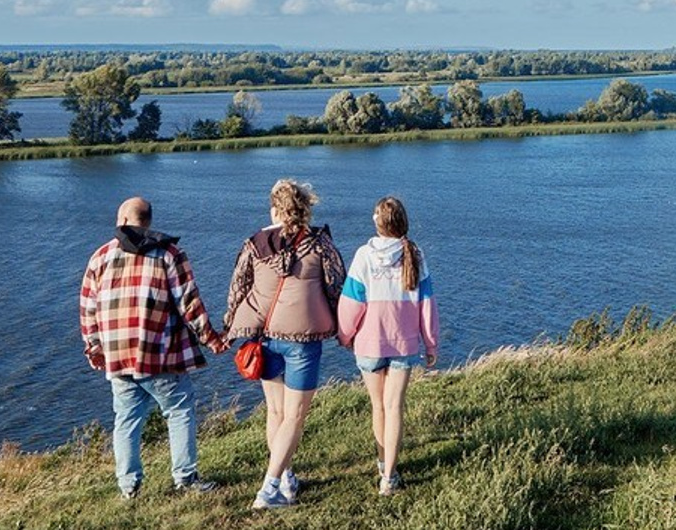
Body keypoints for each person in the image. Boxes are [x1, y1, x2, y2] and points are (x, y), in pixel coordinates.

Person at [79, 196, 228, 499]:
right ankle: (185, 478)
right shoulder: (169, 254)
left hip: (117, 356)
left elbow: (88, 309)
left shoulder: (100, 257)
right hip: (159, 354)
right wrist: (212, 339)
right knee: (179, 410)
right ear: (148, 222)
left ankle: (129, 486)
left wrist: (94, 347)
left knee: (127, 418)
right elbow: (189, 303)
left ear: (122, 220)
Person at [225, 178, 346, 510]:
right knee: (294, 417)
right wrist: (343, 327)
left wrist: (228, 328)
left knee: (276, 412)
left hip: (265, 338)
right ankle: (269, 489)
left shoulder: (254, 245)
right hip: (304, 341)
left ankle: (286, 479)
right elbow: (337, 286)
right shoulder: (320, 244)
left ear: (274, 210)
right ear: (305, 209)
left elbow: (237, 289)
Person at [338, 195, 439, 496]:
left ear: (378, 223)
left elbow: (351, 302)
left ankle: (383, 463)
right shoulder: (415, 254)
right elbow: (427, 303)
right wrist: (431, 343)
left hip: (368, 343)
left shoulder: (363, 256)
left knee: (378, 406)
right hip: (404, 344)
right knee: (395, 407)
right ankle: (389, 478)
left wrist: (345, 335)